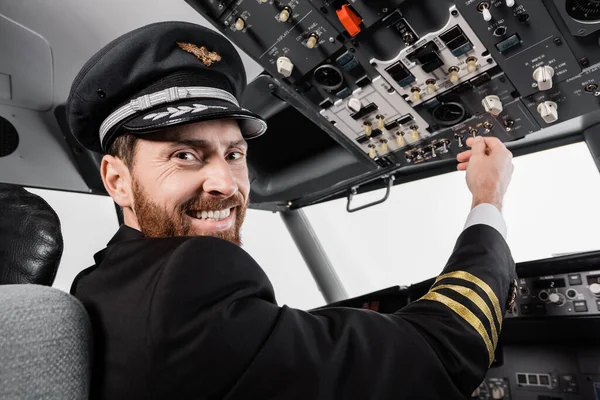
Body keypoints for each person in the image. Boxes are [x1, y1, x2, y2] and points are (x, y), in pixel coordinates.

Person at [67, 21, 517, 400]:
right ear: (117, 180)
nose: (226, 184)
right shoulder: (189, 274)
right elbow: (443, 350)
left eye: (235, 154)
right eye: (185, 155)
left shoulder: (99, 282)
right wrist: (487, 198)